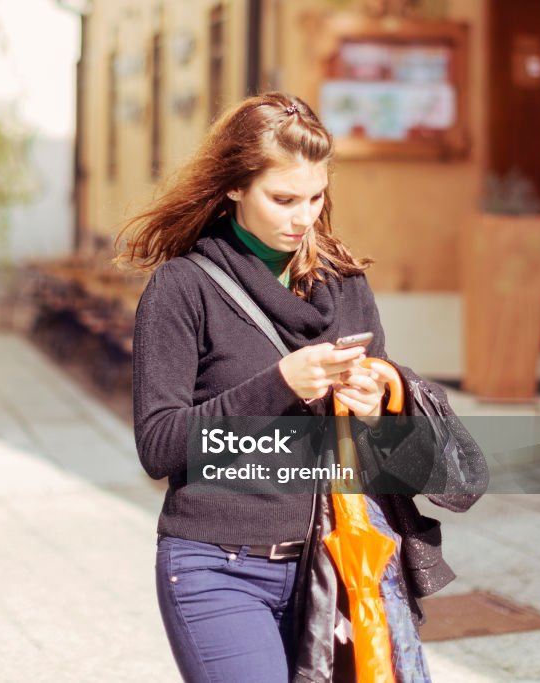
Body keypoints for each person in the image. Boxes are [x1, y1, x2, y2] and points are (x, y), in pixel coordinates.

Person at [117, 93, 455, 681]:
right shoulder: (182, 288)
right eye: (283, 199)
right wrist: (280, 383)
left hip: (337, 568)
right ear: (233, 187)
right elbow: (159, 445)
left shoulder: (345, 284)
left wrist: (379, 403)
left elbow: (374, 458)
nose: (304, 218)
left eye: (316, 197)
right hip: (217, 568)